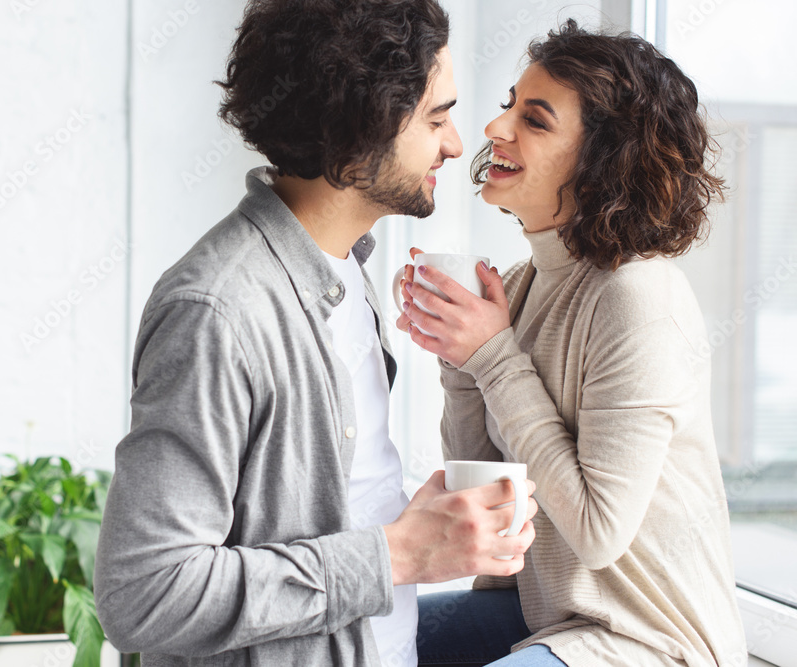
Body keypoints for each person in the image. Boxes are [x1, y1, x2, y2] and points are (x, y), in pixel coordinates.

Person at [94, 2, 538, 666]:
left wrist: (415, 533)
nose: (453, 144)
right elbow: (145, 593)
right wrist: (400, 551)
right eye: (436, 118)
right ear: (364, 125)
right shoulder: (219, 309)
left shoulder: (347, 272)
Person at [397, 19, 747, 667]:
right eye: (509, 107)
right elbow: (485, 489)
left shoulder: (638, 296)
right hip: (546, 613)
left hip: (648, 640)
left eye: (535, 119)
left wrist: (492, 356)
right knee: (348, 643)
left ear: (601, 160)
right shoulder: (523, 286)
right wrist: (460, 358)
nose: (496, 129)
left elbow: (597, 533)